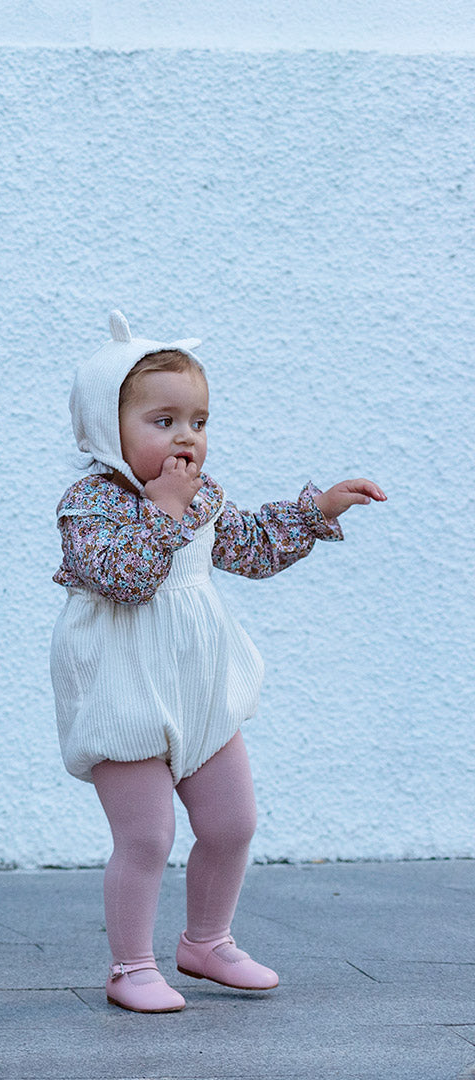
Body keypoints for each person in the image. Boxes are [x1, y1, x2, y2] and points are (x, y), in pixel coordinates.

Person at [50, 310, 386, 1013]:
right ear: (108, 429)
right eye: (162, 421)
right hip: (124, 690)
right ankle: (131, 967)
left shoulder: (200, 498)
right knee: (147, 836)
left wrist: (318, 510)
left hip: (200, 686)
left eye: (197, 422)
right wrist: (164, 516)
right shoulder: (90, 504)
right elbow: (122, 578)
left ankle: (207, 941)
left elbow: (248, 547)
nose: (186, 438)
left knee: (233, 823)